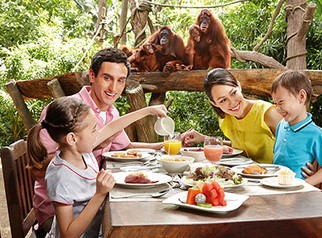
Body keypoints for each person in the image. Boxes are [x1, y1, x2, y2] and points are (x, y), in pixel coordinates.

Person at [33, 48, 163, 234]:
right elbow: (43, 168)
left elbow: (125, 146)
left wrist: (163, 146)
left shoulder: (111, 112)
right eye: (107, 78)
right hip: (58, 211)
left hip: (92, 197)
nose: (114, 88)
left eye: (121, 81)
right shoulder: (67, 112)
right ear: (92, 76)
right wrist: (93, 148)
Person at [27, 97, 167, 237]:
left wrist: (148, 111)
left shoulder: (81, 151)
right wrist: (99, 194)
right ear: (72, 138)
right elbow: (68, 234)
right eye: (93, 130)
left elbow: (112, 127)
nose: (98, 133)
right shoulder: (61, 177)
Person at [181, 68, 282, 164]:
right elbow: (238, 147)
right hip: (245, 176)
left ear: (239, 86)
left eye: (233, 93)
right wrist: (205, 139)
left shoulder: (268, 113)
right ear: (214, 103)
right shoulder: (225, 119)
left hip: (273, 177)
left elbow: (293, 145)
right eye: (223, 100)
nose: (232, 102)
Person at [271, 70, 322, 185]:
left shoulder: (316, 133)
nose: (277, 108)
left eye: (281, 102)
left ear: (301, 96)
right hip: (276, 187)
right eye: (275, 103)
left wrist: (305, 183)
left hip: (297, 193)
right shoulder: (281, 125)